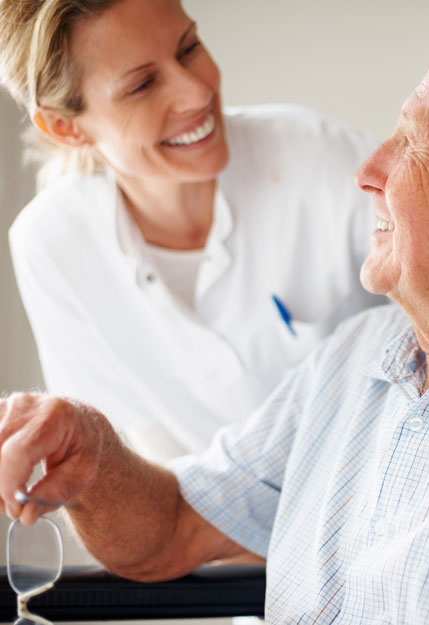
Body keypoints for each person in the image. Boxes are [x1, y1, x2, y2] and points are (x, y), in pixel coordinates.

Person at [3, 4, 429, 623]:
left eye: (410, 143)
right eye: (141, 81)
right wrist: (88, 452)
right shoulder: (352, 360)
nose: (365, 173)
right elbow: (171, 525)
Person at [0, 0, 384, 463]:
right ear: (65, 127)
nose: (198, 92)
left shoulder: (319, 158)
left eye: (189, 48)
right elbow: (137, 461)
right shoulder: (52, 245)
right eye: (142, 84)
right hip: (214, 525)